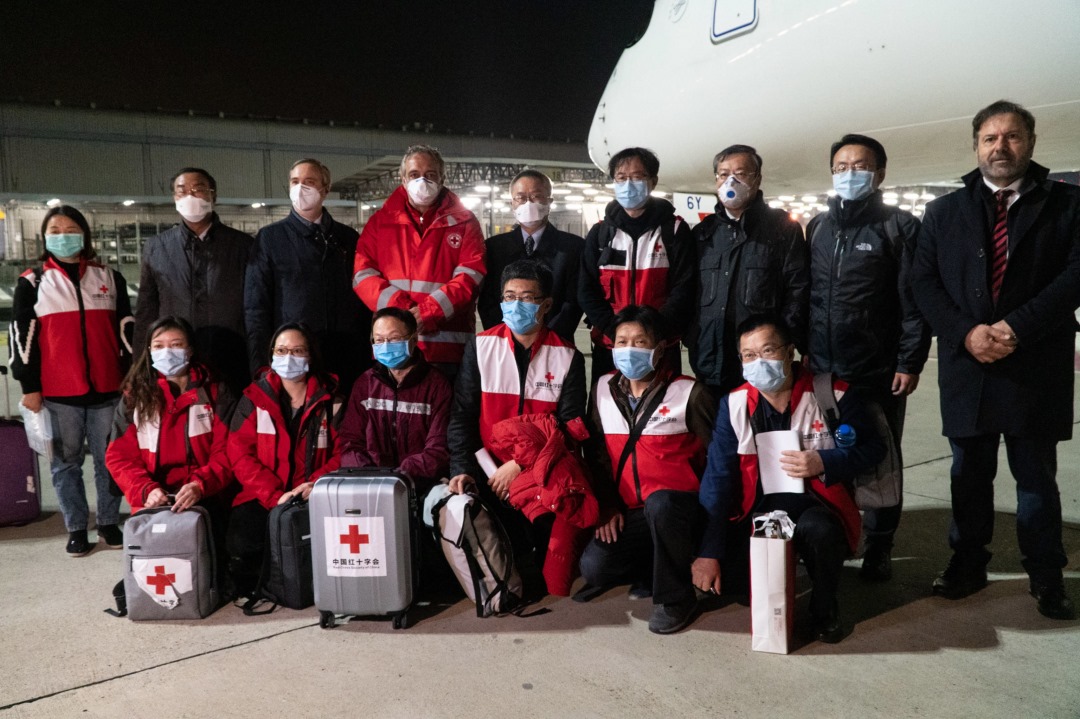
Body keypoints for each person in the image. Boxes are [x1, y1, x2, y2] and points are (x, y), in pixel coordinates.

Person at [911, 100, 1079, 620]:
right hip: (969, 365)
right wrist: (966, 333)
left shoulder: (1068, 205)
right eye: (990, 138)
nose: (1000, 147)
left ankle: (1046, 573)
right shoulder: (943, 212)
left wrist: (1016, 328)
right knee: (968, 473)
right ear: (976, 147)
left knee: (1035, 479)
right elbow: (923, 282)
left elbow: (1075, 276)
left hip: (1035, 364)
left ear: (1031, 142)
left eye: (1012, 136)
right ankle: (967, 562)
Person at [696, 316, 885, 643]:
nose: (759, 362)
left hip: (816, 505)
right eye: (749, 355)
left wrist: (824, 461)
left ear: (789, 352)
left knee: (821, 532)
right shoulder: (734, 404)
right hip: (757, 510)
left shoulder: (832, 395)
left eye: (768, 350)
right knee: (736, 586)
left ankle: (824, 607)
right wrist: (709, 551)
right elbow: (718, 479)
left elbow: (872, 449)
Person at [805, 134, 931, 581]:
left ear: (879, 174)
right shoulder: (818, 227)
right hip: (825, 370)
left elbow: (914, 303)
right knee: (828, 452)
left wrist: (909, 361)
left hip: (877, 371)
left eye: (859, 166)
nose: (849, 174)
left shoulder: (898, 227)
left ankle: (880, 545)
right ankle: (840, 532)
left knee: (880, 460)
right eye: (841, 167)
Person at [446, 259, 588, 591]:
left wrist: (520, 464)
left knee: (549, 575)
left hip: (541, 470)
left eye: (527, 298)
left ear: (546, 305)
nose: (516, 305)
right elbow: (462, 415)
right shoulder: (481, 347)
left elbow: (568, 427)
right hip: (487, 468)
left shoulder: (568, 356)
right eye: (509, 297)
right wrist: (462, 468)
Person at [576, 305, 716, 634]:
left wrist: (713, 533)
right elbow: (597, 455)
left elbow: (719, 461)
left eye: (640, 342)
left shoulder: (690, 393)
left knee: (661, 504)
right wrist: (607, 505)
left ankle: (677, 599)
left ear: (660, 348)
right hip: (632, 511)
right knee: (594, 568)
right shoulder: (602, 389)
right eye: (622, 342)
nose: (629, 350)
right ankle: (656, 565)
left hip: (680, 510)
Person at [9, 205, 133, 556]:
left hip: (108, 389)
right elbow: (22, 338)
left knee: (111, 461)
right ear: (45, 237)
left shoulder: (109, 277)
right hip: (59, 392)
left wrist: (130, 377)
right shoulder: (32, 282)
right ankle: (77, 527)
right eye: (55, 231)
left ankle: (108, 522)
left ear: (84, 234)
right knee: (66, 463)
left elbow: (127, 331)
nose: (63, 236)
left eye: (70, 230)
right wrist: (29, 386)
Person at [226, 323, 343, 597]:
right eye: (281, 350)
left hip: (313, 494)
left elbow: (344, 454)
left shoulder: (332, 401)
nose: (288, 357)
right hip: (263, 495)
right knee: (241, 540)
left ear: (310, 355)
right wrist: (274, 496)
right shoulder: (253, 398)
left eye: (297, 350)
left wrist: (313, 485)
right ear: (271, 354)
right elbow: (240, 454)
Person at [352, 144, 486, 380]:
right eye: (414, 174)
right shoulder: (380, 223)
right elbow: (363, 276)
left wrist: (428, 312)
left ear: (442, 178)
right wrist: (402, 314)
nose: (422, 181)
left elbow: (471, 275)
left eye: (430, 174)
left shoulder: (465, 222)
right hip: (393, 348)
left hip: (447, 351)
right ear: (403, 179)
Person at [687, 144, 809, 400]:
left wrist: (781, 343)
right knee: (717, 424)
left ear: (757, 179)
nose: (730, 181)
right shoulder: (703, 234)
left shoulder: (782, 228)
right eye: (723, 174)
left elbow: (797, 289)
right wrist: (694, 338)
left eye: (741, 173)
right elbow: (690, 291)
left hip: (762, 363)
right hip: (710, 360)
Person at [245, 158, 371, 394]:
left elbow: (362, 300)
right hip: (294, 358)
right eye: (295, 181)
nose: (301, 188)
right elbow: (256, 307)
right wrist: (260, 363)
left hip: (345, 354)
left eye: (309, 182)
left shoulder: (347, 238)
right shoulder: (270, 238)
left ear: (326, 189)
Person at [579, 147, 695, 383]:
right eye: (621, 178)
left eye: (637, 177)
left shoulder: (674, 231)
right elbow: (586, 289)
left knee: (664, 404)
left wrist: (654, 333)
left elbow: (685, 287)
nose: (628, 184)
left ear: (653, 181)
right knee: (607, 402)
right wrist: (615, 331)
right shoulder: (600, 234)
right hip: (611, 346)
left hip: (660, 347)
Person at [135, 167, 253, 393]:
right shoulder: (157, 247)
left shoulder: (242, 246)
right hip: (176, 365)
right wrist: (140, 367)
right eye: (182, 191)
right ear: (174, 198)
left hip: (231, 359)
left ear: (213, 195)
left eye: (198, 189)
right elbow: (146, 311)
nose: (190, 196)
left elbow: (255, 308)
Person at [339, 307, 453, 499]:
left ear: (414, 339)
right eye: (379, 340)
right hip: (369, 486)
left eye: (394, 339)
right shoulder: (365, 384)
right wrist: (370, 475)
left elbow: (438, 449)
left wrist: (398, 476)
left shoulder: (437, 385)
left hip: (422, 487)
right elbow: (350, 442)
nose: (386, 346)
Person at [478, 169, 584, 341]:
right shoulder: (494, 247)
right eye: (520, 198)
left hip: (555, 343)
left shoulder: (573, 248)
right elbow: (488, 300)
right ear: (512, 203)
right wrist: (502, 338)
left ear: (549, 201)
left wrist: (550, 339)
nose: (528, 203)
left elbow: (573, 302)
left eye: (536, 196)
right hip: (504, 343)